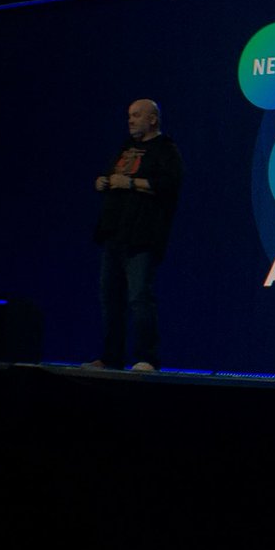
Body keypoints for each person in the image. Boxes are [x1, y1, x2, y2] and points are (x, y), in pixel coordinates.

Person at [86, 99, 183, 372]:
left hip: (142, 237)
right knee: (110, 298)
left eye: (137, 115)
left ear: (153, 119)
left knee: (139, 297)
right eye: (129, 115)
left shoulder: (165, 149)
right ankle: (111, 357)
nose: (130, 120)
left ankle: (146, 358)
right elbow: (113, 174)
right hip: (114, 233)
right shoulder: (125, 147)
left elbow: (169, 185)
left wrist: (129, 183)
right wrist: (103, 181)